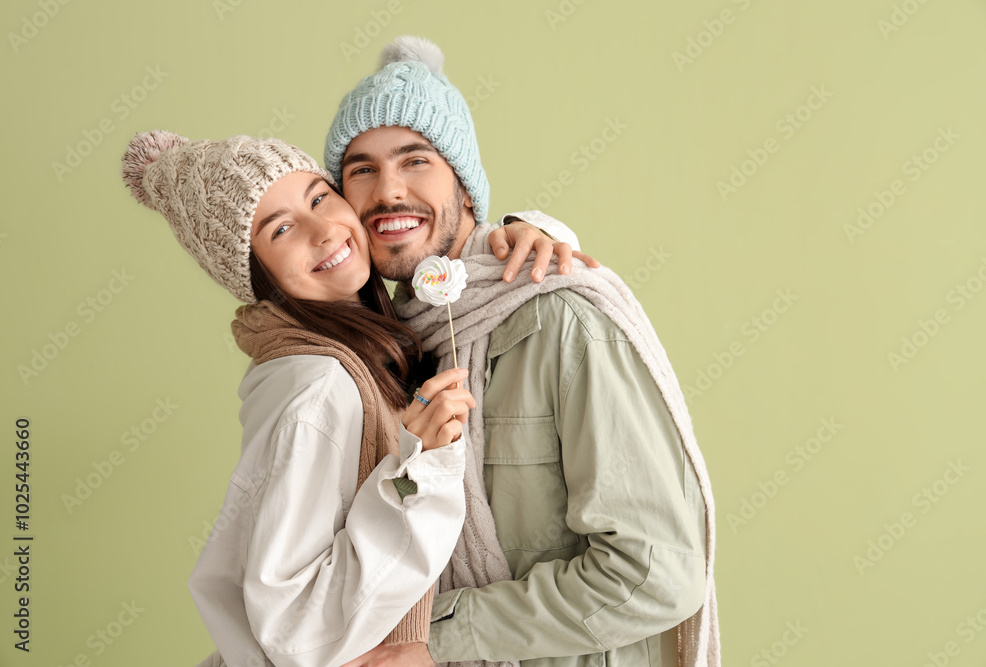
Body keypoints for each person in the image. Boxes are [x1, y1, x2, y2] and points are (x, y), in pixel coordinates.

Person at [325, 37, 722, 667]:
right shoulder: (391, 350)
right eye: (361, 170)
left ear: (465, 185)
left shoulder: (560, 320)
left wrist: (433, 639)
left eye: (415, 160)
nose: (388, 192)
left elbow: (657, 573)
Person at [119, 130, 582, 667]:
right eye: (281, 229)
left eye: (319, 198)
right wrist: (418, 473)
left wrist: (527, 231)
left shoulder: (364, 344)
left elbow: (436, 252)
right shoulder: (319, 389)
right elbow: (294, 626)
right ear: (255, 274)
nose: (323, 231)